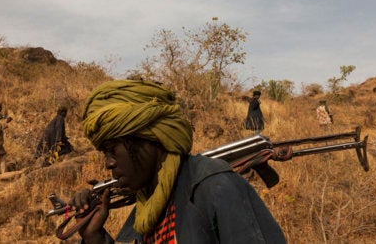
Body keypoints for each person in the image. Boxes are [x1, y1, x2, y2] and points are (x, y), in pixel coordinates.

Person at [71, 80, 285, 244]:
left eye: (112, 151)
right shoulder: (150, 202)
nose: (108, 164)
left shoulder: (216, 188)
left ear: (151, 140)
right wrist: (95, 237)